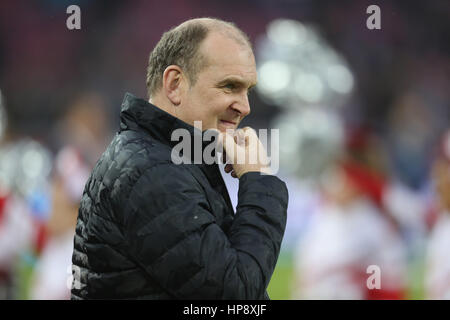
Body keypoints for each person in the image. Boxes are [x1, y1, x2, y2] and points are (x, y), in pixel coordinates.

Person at [71, 18, 288, 299]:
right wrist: (258, 181)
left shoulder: (159, 159)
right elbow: (234, 296)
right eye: (229, 86)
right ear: (174, 84)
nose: (244, 107)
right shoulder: (152, 174)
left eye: (248, 90)